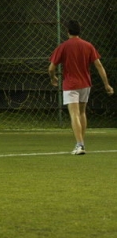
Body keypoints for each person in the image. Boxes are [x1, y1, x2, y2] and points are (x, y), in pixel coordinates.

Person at [48, 20, 113, 155]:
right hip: (85, 84)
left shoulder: (64, 46)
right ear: (79, 31)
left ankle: (79, 144)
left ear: (68, 31)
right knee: (82, 113)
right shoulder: (88, 46)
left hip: (71, 85)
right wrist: (106, 84)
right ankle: (81, 143)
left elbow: (51, 68)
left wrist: (52, 77)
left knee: (74, 114)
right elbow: (99, 66)